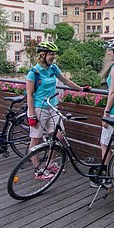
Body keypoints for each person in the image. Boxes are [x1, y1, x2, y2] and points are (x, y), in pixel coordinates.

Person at [26, 41, 90, 180]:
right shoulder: (34, 73)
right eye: (51, 54)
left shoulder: (53, 68)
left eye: (54, 54)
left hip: (53, 106)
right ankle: (38, 170)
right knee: (35, 139)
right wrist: (31, 114)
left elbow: (65, 81)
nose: (53, 57)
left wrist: (81, 89)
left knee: (59, 136)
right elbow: (29, 95)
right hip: (39, 108)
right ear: (42, 55)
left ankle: (50, 163)